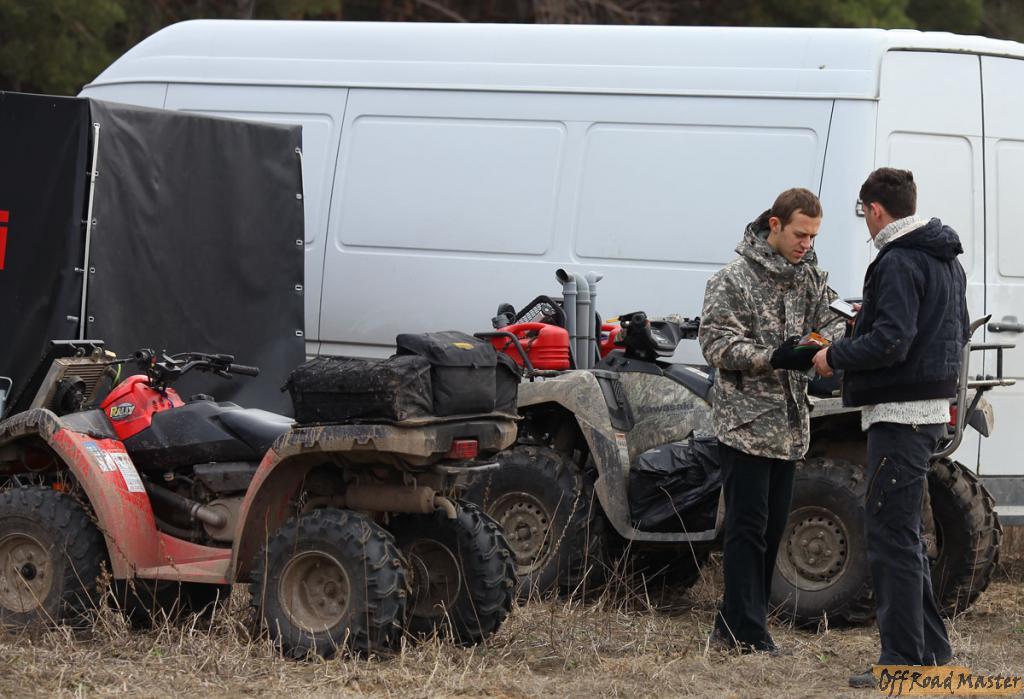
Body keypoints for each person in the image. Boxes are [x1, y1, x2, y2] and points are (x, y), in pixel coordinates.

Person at [811, 168, 965, 688]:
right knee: (904, 536)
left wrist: (836, 354)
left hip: (900, 413)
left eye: (864, 214)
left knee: (890, 538)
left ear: (875, 209)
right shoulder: (945, 257)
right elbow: (945, 332)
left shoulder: (897, 259)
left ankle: (901, 662)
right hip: (928, 410)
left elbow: (892, 341)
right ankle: (932, 652)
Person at [699, 188, 843, 654]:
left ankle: (737, 624)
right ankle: (748, 632)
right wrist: (773, 357)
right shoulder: (733, 279)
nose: (807, 244)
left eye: (814, 236)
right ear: (775, 225)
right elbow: (717, 345)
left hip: (790, 424)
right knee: (747, 528)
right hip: (745, 425)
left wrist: (815, 345)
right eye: (800, 234)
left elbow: (835, 320)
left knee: (771, 529)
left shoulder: (810, 277)